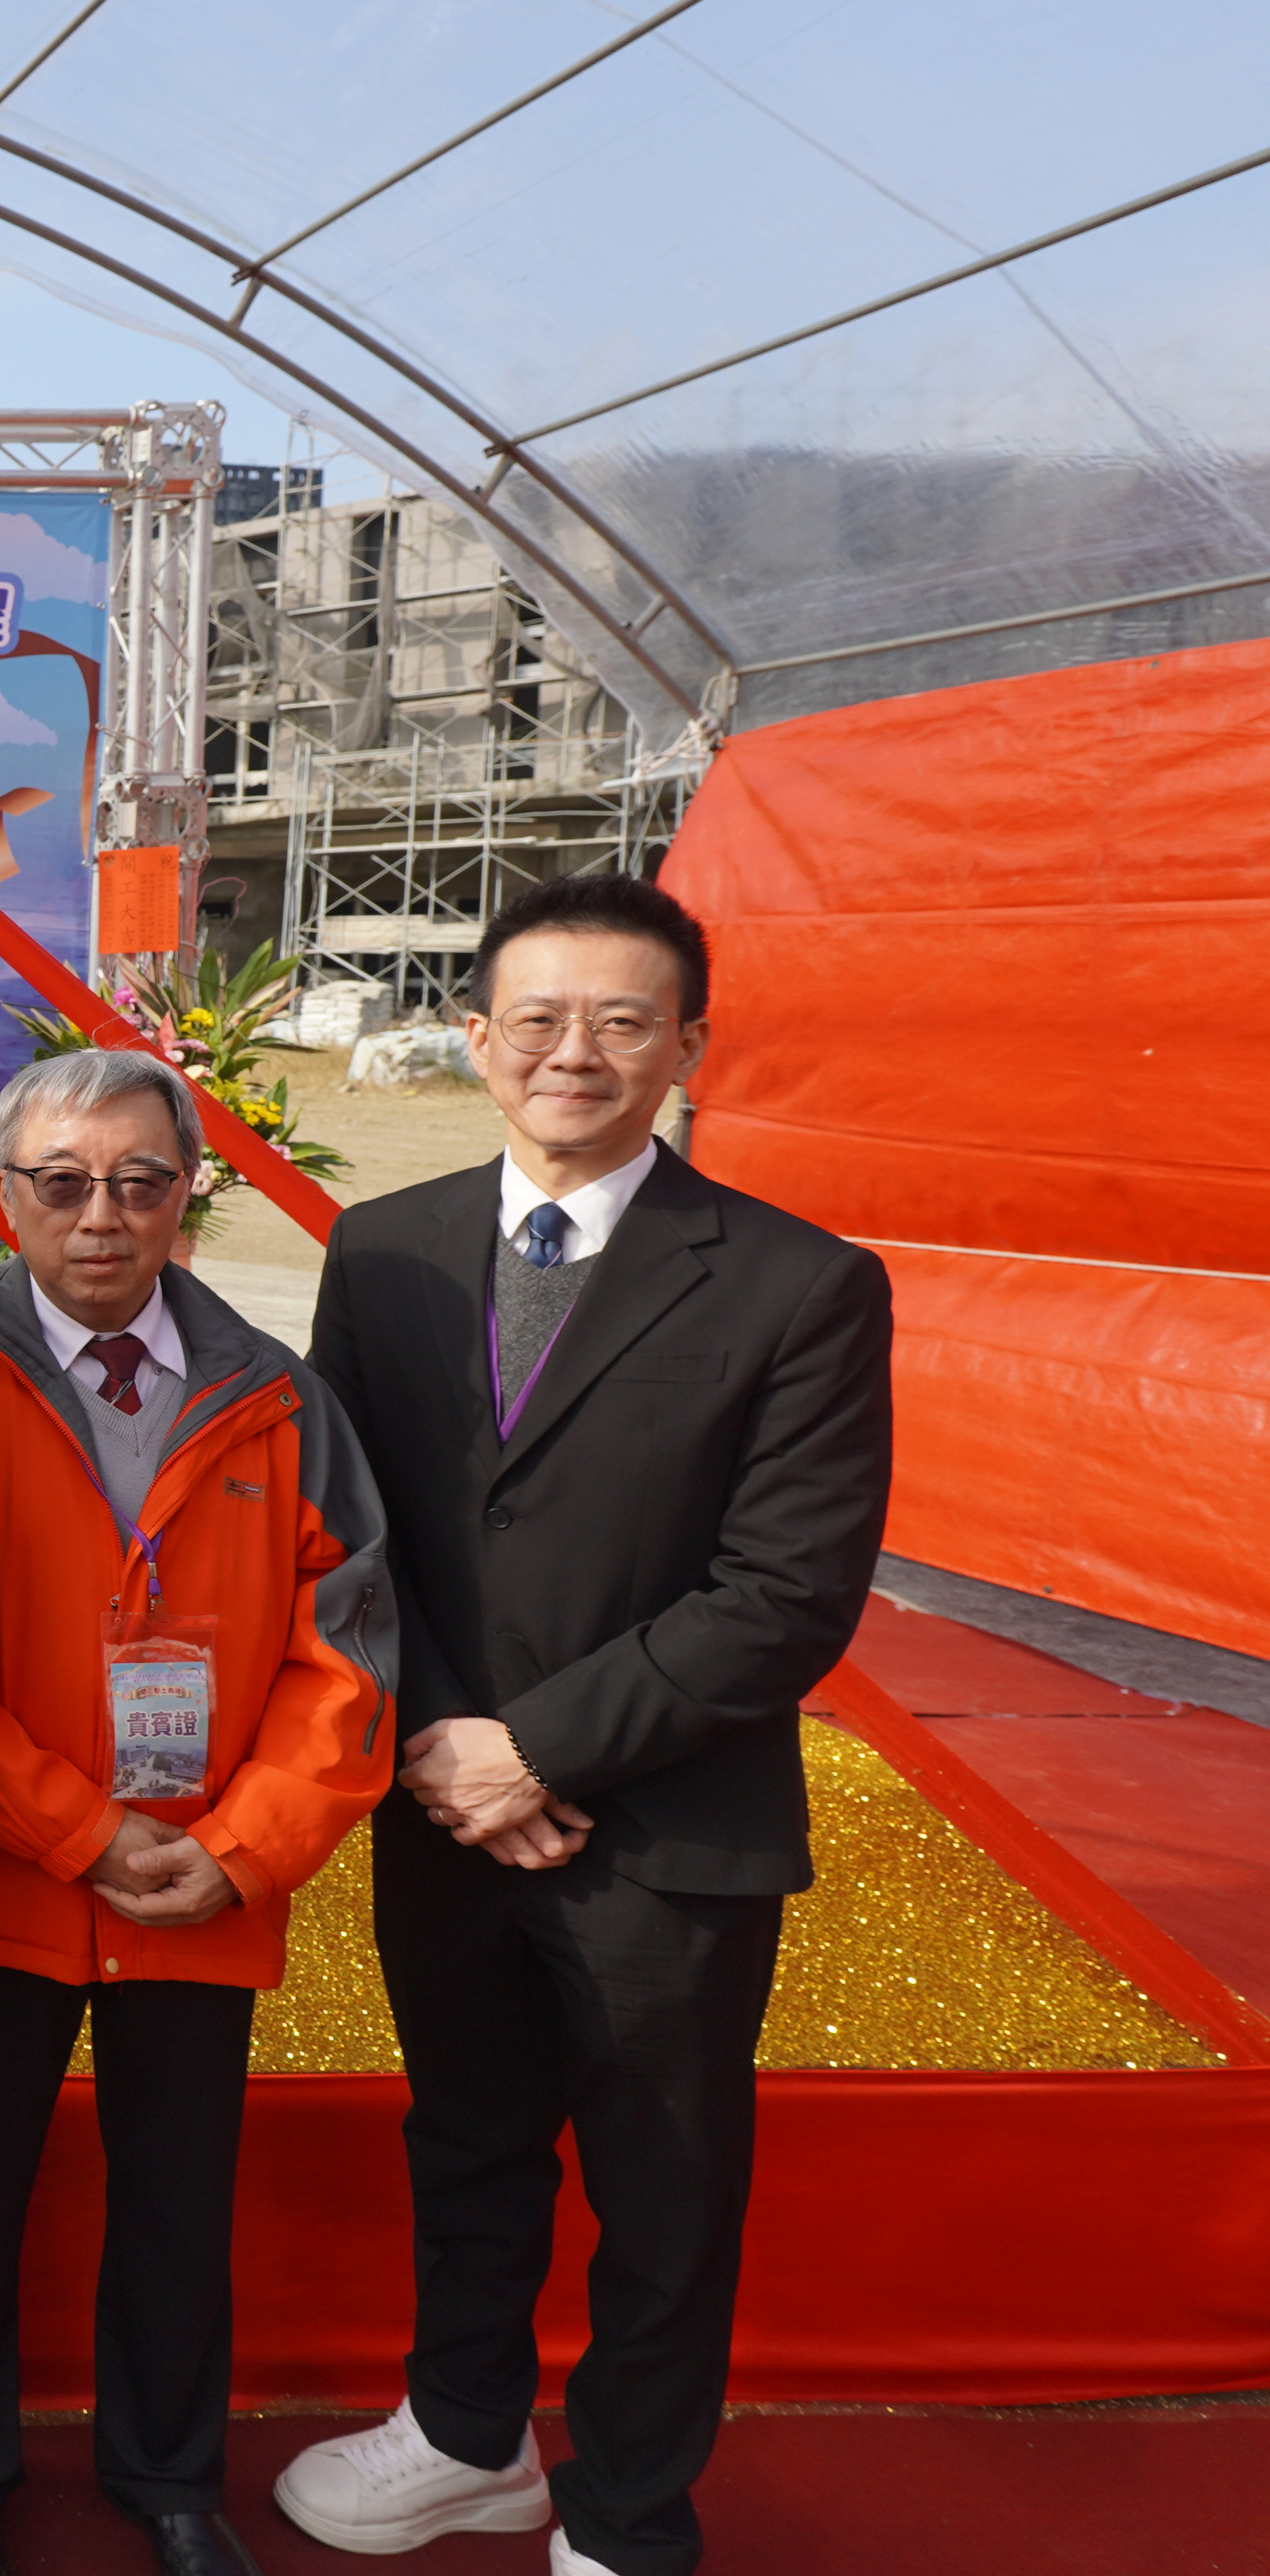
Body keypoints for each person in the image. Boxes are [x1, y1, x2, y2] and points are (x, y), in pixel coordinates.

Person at [278, 875, 890, 2576]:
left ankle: (624, 2516)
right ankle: (468, 2434)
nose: (576, 1052)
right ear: (474, 1038)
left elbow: (785, 1592)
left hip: (668, 1829)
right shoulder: (382, 1249)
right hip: (437, 1799)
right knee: (467, 2137)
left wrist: (535, 1749)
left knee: (663, 2196)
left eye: (624, 1019)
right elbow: (348, 1533)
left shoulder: (798, 1282)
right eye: (536, 1017)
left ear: (689, 1043)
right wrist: (442, 1743)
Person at [0, 1047, 395, 2576]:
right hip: (1, 1874)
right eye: (63, 1182)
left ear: (192, 1194)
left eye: (140, 1181)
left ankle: (172, 2474)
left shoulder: (278, 1395)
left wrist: (241, 1844)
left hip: (203, 1881)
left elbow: (353, 1649)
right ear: (5, 1196)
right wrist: (75, 1831)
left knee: (179, 2203)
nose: (101, 1216)